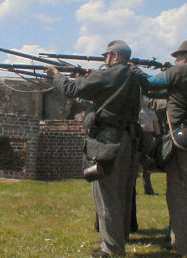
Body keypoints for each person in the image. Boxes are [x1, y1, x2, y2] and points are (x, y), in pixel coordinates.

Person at [46, 40, 143, 257]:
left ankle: (111, 249)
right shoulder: (133, 76)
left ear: (115, 57)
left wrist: (55, 74)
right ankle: (118, 239)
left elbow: (70, 89)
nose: (104, 61)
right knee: (121, 194)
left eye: (106, 57)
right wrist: (86, 77)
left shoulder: (109, 74)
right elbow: (96, 92)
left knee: (107, 197)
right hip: (128, 139)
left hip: (108, 140)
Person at [140, 40, 187, 256]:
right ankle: (181, 238)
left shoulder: (180, 70)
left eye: (176, 58)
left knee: (181, 192)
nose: (174, 61)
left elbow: (149, 83)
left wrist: (133, 70)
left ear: (182, 56)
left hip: (183, 136)